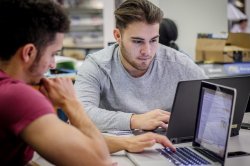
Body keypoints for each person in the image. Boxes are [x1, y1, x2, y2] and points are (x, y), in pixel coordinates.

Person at [0, 0, 175, 165]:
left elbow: (68, 139)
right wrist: (71, 103)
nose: (53, 64)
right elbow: (100, 161)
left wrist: (126, 142)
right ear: (28, 53)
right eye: (53, 54)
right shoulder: (19, 97)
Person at [74, 0, 207, 132]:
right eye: (138, 41)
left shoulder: (178, 63)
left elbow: (213, 104)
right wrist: (135, 120)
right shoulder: (97, 66)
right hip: (115, 149)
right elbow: (78, 114)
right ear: (117, 36)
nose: (147, 51)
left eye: (154, 40)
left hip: (164, 148)